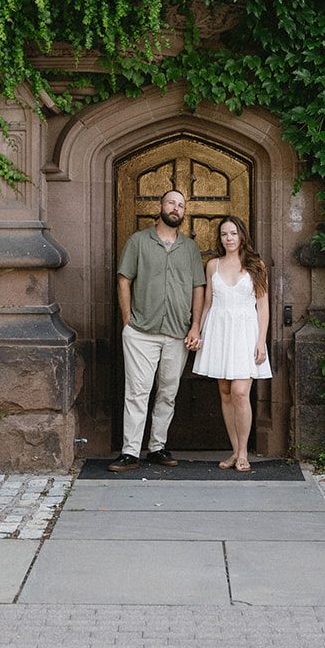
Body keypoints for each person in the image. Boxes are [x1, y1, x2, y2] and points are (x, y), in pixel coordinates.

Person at [109, 189, 206, 472]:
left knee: (168, 392)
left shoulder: (189, 248)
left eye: (181, 205)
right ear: (160, 206)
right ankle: (130, 452)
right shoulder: (138, 241)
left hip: (178, 333)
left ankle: (157, 447)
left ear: (184, 213)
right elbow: (124, 280)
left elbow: (198, 288)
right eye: (171, 203)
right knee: (137, 392)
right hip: (141, 331)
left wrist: (196, 326)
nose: (176, 208)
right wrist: (127, 320)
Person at [192, 216, 271, 472]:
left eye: (233, 233)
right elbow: (207, 304)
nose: (229, 238)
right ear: (221, 238)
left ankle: (244, 452)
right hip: (219, 332)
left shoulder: (256, 265)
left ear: (242, 236)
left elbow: (263, 307)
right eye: (225, 234)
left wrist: (261, 341)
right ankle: (235, 451)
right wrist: (198, 331)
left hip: (246, 333)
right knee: (225, 393)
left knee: (239, 392)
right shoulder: (212, 265)